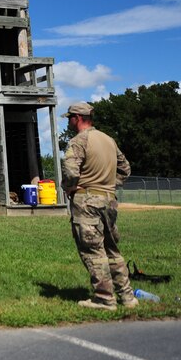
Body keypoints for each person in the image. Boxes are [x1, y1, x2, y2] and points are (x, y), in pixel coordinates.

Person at [61, 101, 137, 311]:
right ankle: (128, 297)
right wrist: (108, 185)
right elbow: (126, 169)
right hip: (109, 200)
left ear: (77, 118)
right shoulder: (108, 140)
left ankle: (104, 298)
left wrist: (70, 188)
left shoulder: (79, 141)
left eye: (69, 118)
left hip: (87, 202)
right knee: (111, 249)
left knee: (93, 250)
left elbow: (70, 171)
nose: (68, 122)